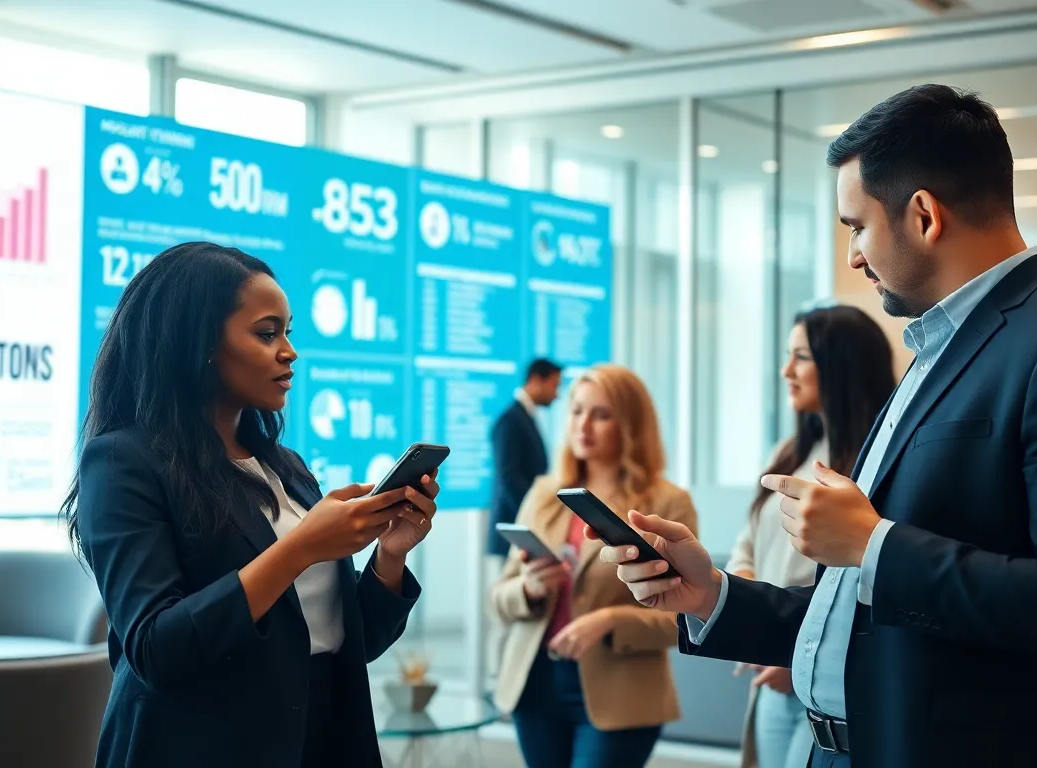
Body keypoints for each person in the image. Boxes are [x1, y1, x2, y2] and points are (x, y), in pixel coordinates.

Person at [599, 85, 1037, 768]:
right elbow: (859, 612)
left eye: (855, 227)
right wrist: (713, 594)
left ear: (924, 214)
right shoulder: (933, 351)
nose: (853, 258)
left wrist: (873, 543)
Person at [61, 242, 439, 768]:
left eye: (288, 332)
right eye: (267, 333)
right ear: (197, 343)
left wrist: (390, 557)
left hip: (323, 738)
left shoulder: (286, 467)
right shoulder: (124, 462)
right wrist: (302, 547)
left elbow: (350, 641)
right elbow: (156, 648)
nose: (289, 351)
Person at [490, 364, 698, 768]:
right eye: (577, 411)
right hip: (535, 684)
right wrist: (529, 590)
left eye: (601, 415)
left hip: (620, 691)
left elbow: (687, 615)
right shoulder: (544, 493)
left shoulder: (666, 503)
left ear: (631, 425)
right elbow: (497, 599)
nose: (583, 425)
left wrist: (609, 621)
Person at [729, 306, 894, 768]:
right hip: (770, 667)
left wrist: (792, 651)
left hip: (825, 677)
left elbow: (859, 577)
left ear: (840, 365)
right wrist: (748, 601)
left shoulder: (869, 461)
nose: (786, 371)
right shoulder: (791, 451)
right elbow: (749, 540)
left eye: (800, 357)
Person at [488, 358, 563, 559]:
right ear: (536, 380)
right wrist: (535, 514)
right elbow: (508, 476)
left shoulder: (524, 417)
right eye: (554, 385)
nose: (557, 394)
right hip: (516, 527)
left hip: (524, 527)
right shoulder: (510, 420)